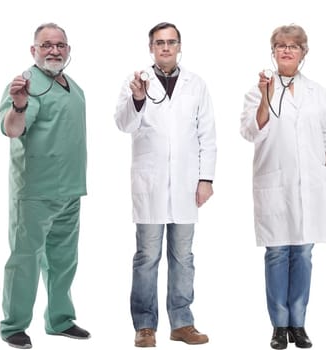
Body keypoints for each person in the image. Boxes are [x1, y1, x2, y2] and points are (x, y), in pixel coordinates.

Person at [113, 22, 216, 348]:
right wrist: (138, 99)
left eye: (171, 42)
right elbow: (123, 124)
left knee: (183, 257)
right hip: (151, 185)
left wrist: (206, 179)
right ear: (151, 48)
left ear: (179, 46)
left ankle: (182, 323)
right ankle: (145, 326)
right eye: (160, 43)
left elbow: (207, 135)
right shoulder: (137, 82)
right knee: (147, 256)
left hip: (187, 186)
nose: (166, 48)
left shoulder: (196, 84)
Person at [240, 24, 326, 350]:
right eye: (280, 46)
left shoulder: (318, 92)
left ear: (303, 53)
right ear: (273, 52)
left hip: (310, 185)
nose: (286, 51)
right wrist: (266, 96)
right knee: (278, 253)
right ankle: (279, 326)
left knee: (304, 254)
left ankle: (299, 323)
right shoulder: (258, 91)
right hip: (275, 183)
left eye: (293, 46)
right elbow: (250, 131)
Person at [0, 22, 90, 349]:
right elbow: (12, 128)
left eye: (60, 45)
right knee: (25, 259)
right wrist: (18, 104)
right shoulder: (26, 85)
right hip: (36, 191)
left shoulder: (72, 85)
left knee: (64, 261)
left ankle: (60, 320)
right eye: (47, 45)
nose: (54, 50)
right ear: (33, 50)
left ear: (68, 50)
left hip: (70, 190)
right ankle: (14, 326)